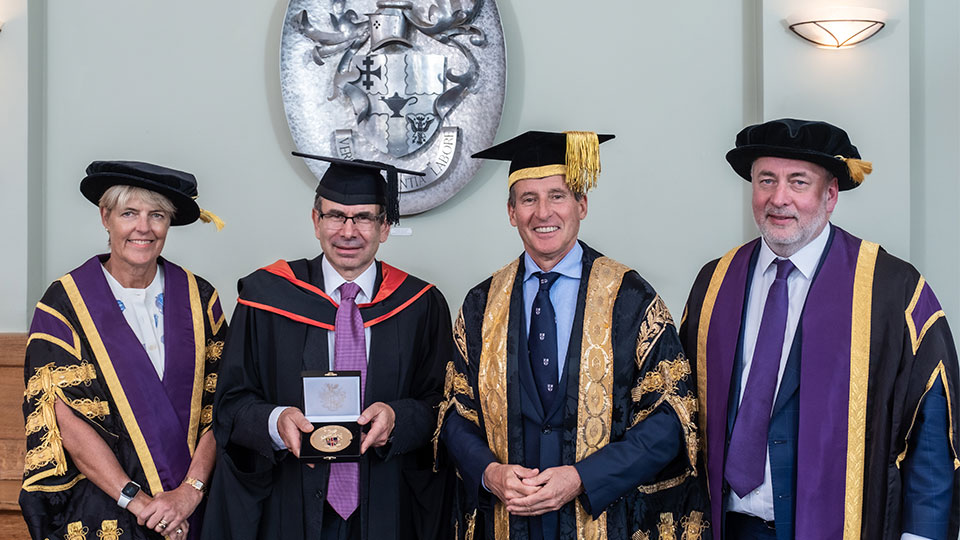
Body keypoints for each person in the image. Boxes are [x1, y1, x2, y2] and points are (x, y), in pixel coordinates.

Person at [679, 118, 960, 540]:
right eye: (766, 180)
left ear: (830, 195)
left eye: (798, 182)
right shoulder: (716, 282)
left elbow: (931, 434)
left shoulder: (890, 290)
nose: (779, 199)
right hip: (729, 527)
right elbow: (682, 412)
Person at [438, 131, 709, 540]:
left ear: (582, 205)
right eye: (528, 199)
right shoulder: (481, 305)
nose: (542, 212)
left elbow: (673, 417)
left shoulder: (630, 298)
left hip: (606, 518)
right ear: (511, 212)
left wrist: (584, 477)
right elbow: (455, 412)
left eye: (557, 196)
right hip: (507, 520)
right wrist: (489, 472)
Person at [203, 155, 453, 540]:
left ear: (385, 227)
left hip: (388, 505)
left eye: (364, 218)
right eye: (336, 216)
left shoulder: (419, 304)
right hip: (289, 503)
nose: (348, 231)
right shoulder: (266, 299)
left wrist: (397, 418)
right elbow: (230, 405)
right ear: (316, 221)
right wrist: (275, 422)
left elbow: (444, 403)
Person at [20, 161, 227, 540]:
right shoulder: (65, 304)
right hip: (107, 509)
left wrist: (188, 493)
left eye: (157, 215)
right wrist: (139, 502)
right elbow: (66, 420)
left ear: (169, 224)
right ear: (106, 217)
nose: (143, 228)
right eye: (129, 213)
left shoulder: (200, 299)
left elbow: (223, 404)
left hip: (193, 510)